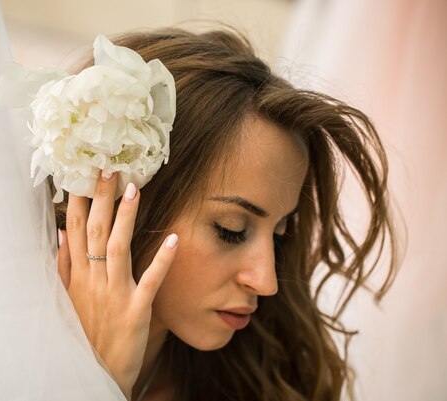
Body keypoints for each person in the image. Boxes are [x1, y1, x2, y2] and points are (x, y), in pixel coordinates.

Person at [52, 27, 398, 401]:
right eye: (230, 230)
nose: (266, 284)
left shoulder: (261, 384)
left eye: (280, 234)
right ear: (124, 202)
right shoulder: (2, 355)